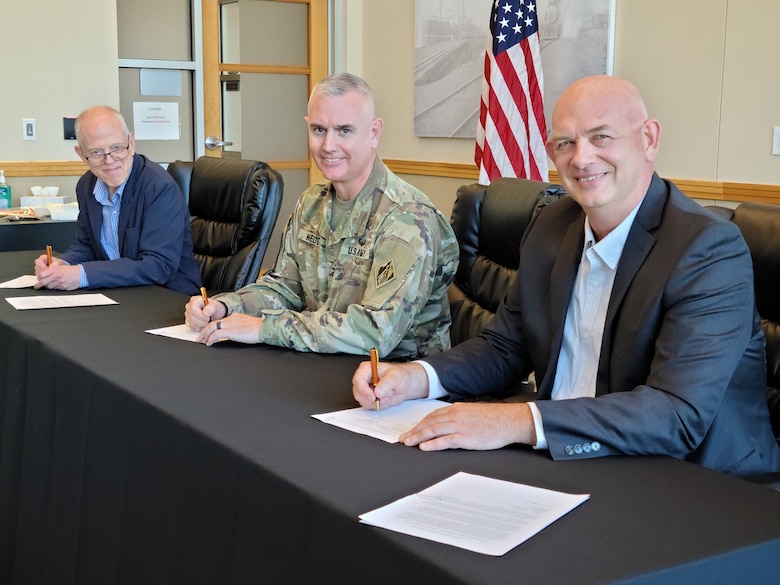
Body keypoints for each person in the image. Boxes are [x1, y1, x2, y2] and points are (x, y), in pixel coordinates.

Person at [353, 75, 780, 478]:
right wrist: (416, 378)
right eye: (565, 143)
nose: (581, 158)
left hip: (692, 480)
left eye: (601, 137)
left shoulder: (707, 249)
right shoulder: (552, 225)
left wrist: (516, 420)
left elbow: (675, 414)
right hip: (564, 453)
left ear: (648, 139)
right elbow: (505, 348)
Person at [184, 73, 458, 358]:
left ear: (374, 133)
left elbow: (375, 332)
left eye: (344, 131)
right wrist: (228, 306)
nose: (328, 145)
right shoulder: (312, 202)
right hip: (322, 363)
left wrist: (264, 328)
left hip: (395, 383)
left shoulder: (408, 218)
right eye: (318, 130)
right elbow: (287, 287)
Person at [33, 106, 201, 295]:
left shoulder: (158, 187)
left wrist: (81, 275)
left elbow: (158, 266)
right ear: (81, 154)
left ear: (132, 142)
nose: (110, 161)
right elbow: (87, 244)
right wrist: (64, 262)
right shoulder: (86, 186)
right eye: (96, 152)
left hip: (167, 297)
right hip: (119, 292)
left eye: (117, 148)